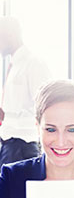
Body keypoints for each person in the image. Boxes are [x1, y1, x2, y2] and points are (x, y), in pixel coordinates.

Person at [0, 16, 52, 166]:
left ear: (10, 34)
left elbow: (45, 109)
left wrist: (8, 116)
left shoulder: (33, 63)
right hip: (9, 146)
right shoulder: (14, 65)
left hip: (23, 147)